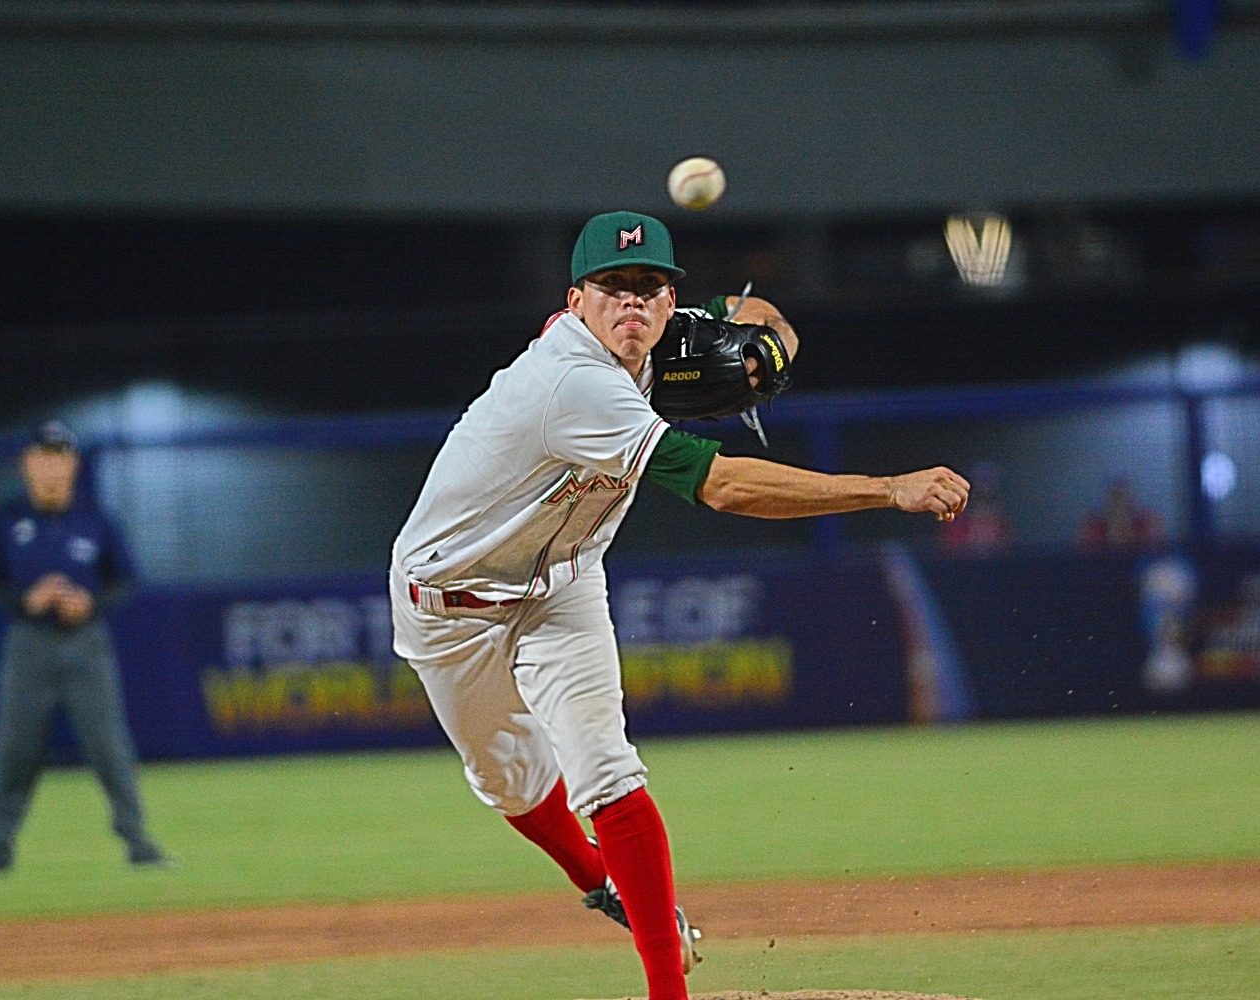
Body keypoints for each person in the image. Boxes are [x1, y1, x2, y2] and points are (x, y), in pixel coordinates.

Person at [388, 211, 969, 1000]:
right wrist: (886, 488)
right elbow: (723, 486)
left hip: (562, 583)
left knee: (607, 774)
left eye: (650, 287)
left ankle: (668, 991)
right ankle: (601, 882)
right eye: (613, 287)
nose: (633, 302)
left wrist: (768, 351)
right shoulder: (574, 383)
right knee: (510, 783)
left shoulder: (657, 337)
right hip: (449, 603)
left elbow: (763, 318)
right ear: (576, 300)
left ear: (670, 303)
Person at [0, 420, 168, 873]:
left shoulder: (96, 519)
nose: (54, 465)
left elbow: (126, 579)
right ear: (28, 463)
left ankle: (138, 841)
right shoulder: (7, 519)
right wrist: (26, 600)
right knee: (15, 749)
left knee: (109, 746)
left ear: (74, 464)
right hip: (28, 644)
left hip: (86, 644)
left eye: (62, 456)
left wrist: (90, 601)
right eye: (45, 455)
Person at [940, 460, 1012, 555]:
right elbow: (950, 554)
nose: (985, 490)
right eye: (980, 495)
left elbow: (1007, 553)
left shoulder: (1003, 526)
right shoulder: (957, 524)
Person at [1077, 477, 1164, 551]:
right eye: (1115, 495)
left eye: (1122, 495)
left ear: (1131, 496)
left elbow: (1159, 553)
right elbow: (1081, 555)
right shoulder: (1091, 526)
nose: (1119, 500)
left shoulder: (1147, 522)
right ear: (1107, 497)